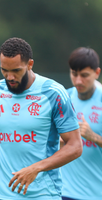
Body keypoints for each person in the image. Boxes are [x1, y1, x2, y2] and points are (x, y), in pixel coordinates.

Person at [0, 37, 83, 200]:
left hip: (42, 193)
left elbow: (75, 146)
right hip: (2, 193)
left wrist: (36, 168)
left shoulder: (53, 93)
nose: (9, 77)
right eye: (4, 70)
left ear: (30, 64)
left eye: (16, 71)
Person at [61, 47, 102, 200]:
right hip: (63, 192)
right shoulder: (63, 98)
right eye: (74, 74)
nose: (78, 81)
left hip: (95, 195)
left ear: (97, 73)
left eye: (84, 75)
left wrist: (93, 137)